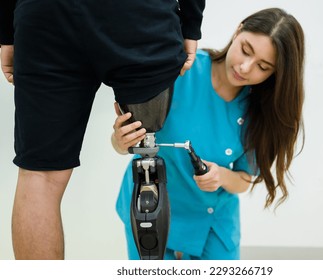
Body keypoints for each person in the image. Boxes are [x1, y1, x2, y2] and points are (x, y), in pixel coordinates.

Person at [0, 0, 205, 259]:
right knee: (147, 150)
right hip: (140, 18)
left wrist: (6, 32)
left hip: (47, 17)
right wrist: (191, 25)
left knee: (40, 177)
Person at [112, 7, 305, 260]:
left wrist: (222, 176)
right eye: (246, 50)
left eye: (263, 67)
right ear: (238, 30)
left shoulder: (259, 110)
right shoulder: (179, 70)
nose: (246, 68)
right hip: (149, 209)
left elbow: (245, 179)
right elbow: (123, 144)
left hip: (213, 224)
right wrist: (119, 140)